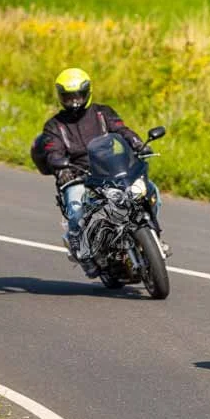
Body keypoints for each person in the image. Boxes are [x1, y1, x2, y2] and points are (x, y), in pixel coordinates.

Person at [35, 68, 165, 277]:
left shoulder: (102, 113)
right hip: (78, 176)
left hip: (110, 169)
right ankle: (84, 252)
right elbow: (52, 151)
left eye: (78, 95)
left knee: (149, 191)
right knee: (76, 210)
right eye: (69, 96)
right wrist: (61, 167)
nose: (74, 101)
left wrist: (138, 144)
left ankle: (154, 236)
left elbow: (122, 130)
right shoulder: (54, 126)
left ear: (87, 92)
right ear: (61, 96)